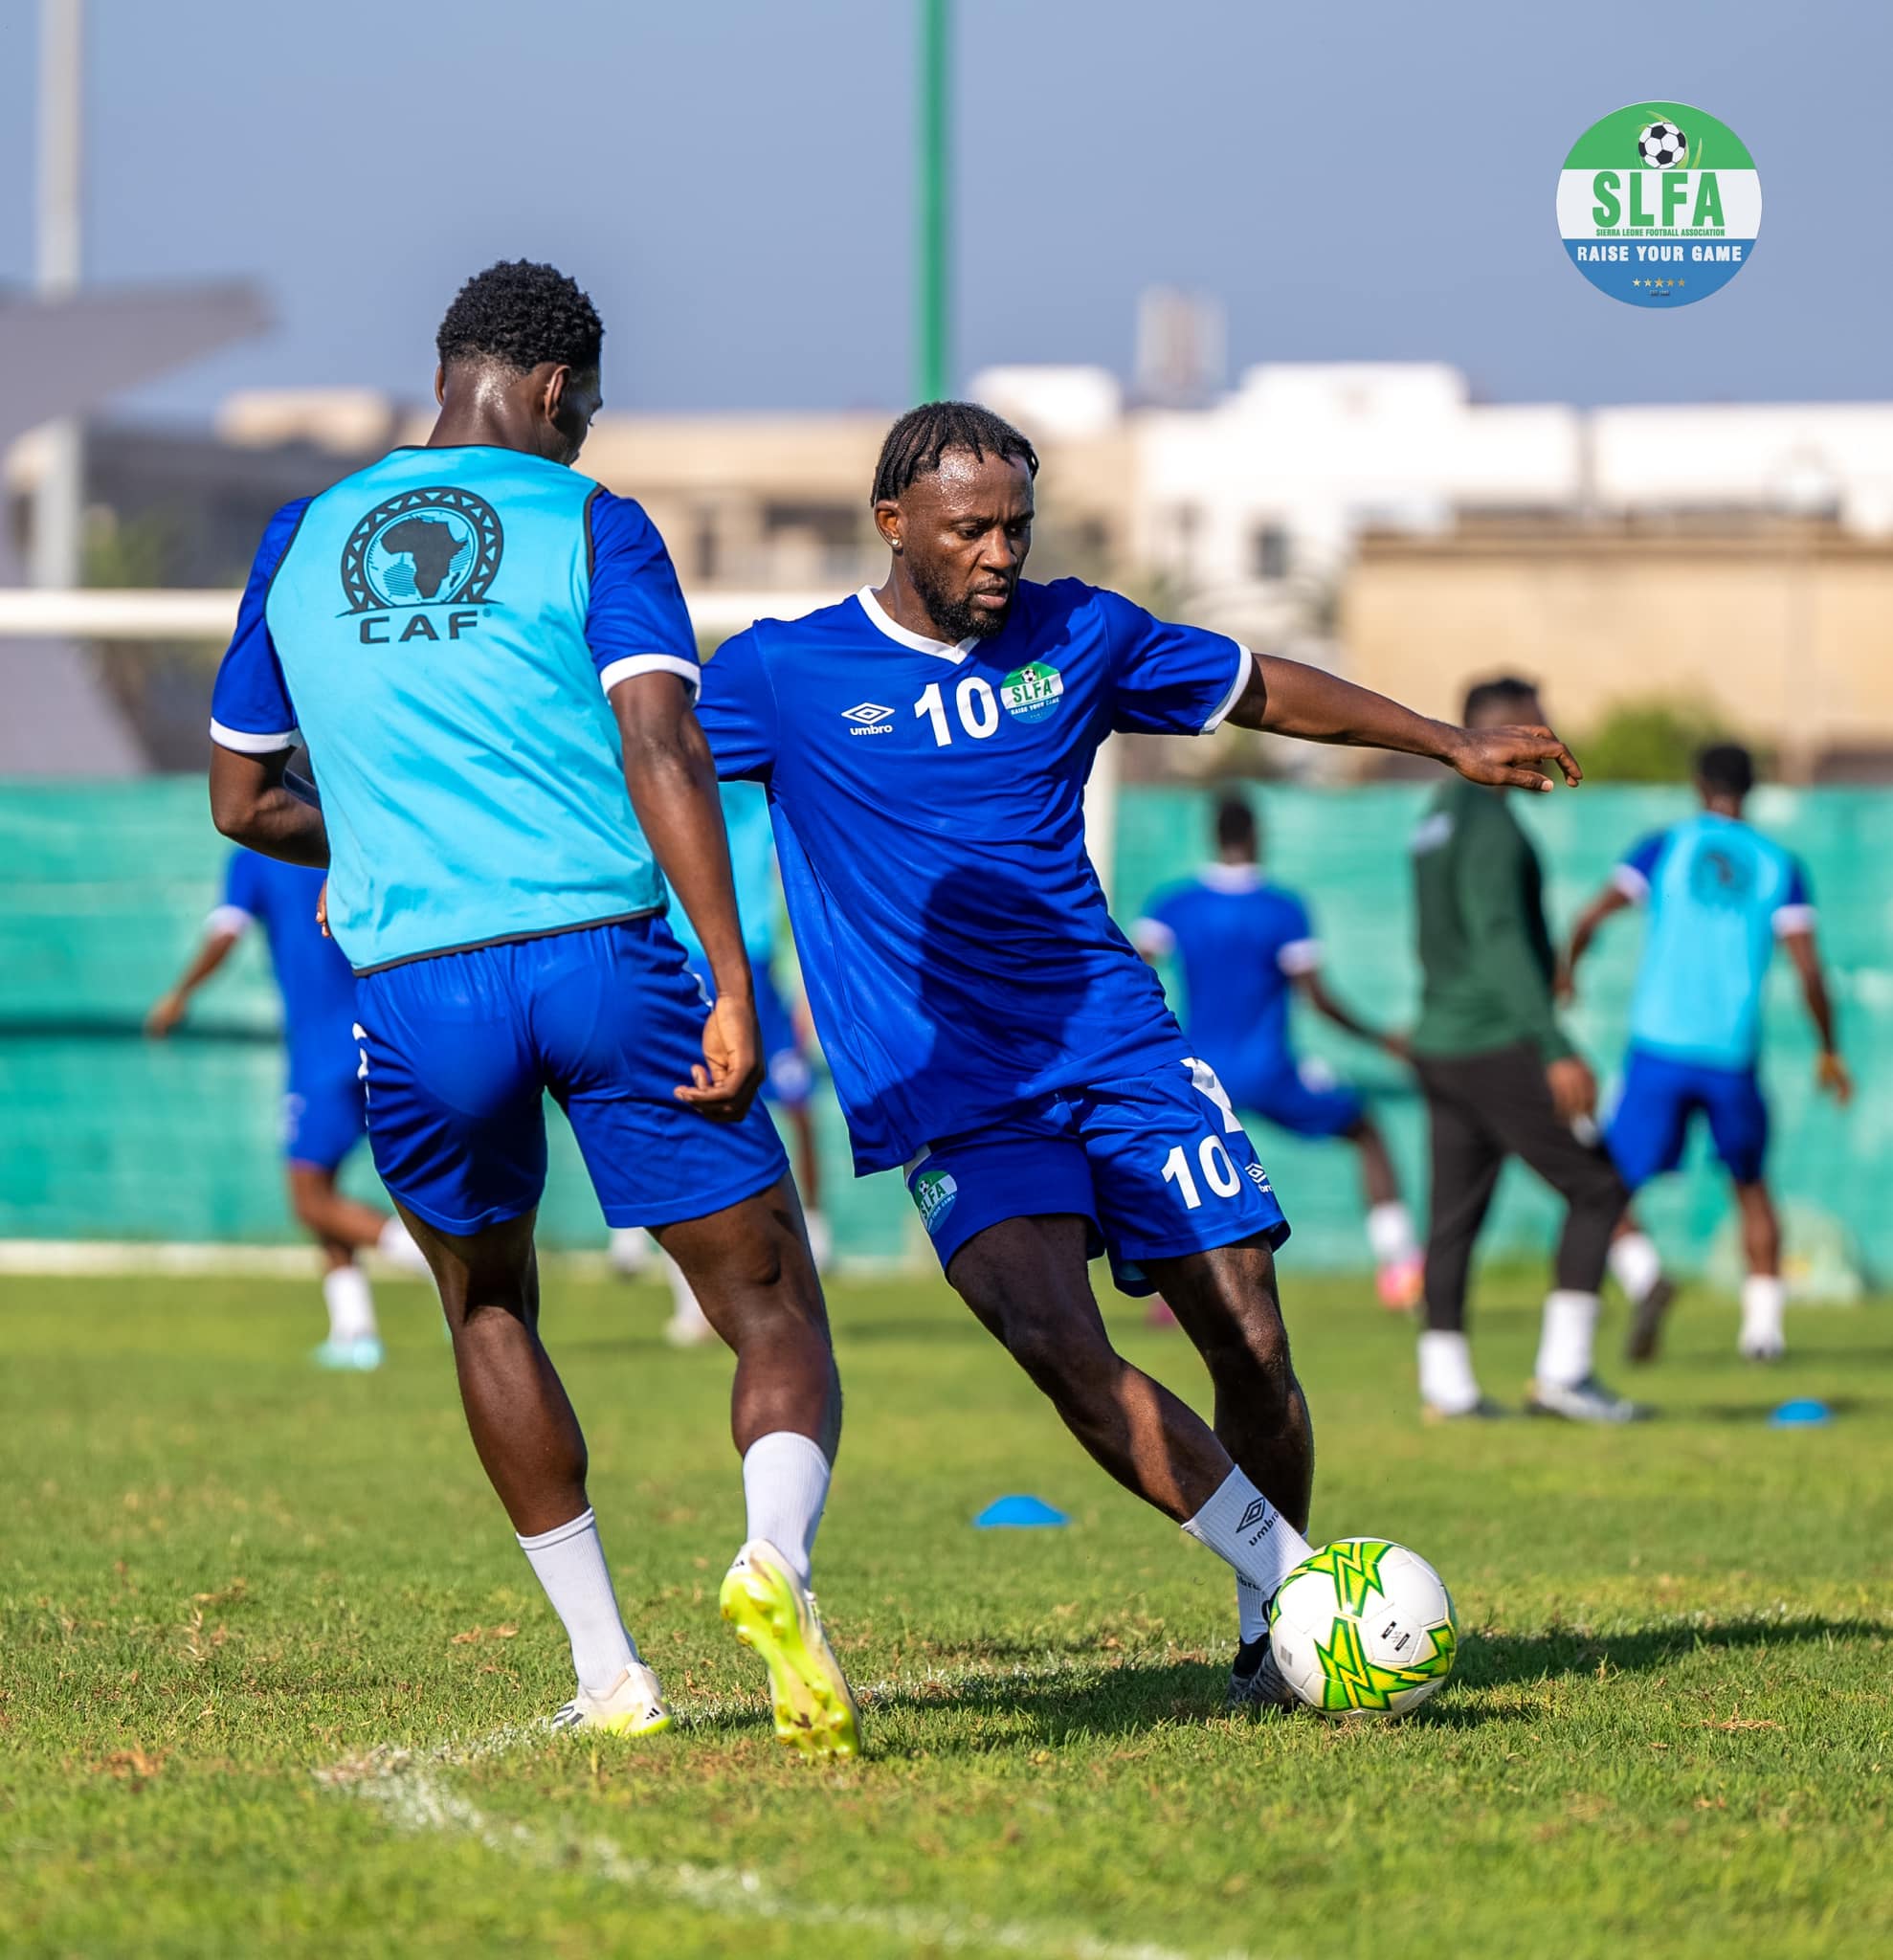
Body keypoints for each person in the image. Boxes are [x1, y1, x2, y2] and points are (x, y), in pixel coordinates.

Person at [694, 401, 1581, 1709]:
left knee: (1250, 1332)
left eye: (1015, 525)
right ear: (892, 524)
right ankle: (1303, 1593)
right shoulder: (782, 674)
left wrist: (1444, 741)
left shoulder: (1084, 633)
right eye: (968, 529)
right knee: (1058, 1339)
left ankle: (1261, 1633)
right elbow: (634, 777)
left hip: (1115, 1047)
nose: (999, 553)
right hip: (949, 1087)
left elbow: (1263, 686)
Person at [205, 260, 856, 1755]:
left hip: (414, 993)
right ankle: (776, 1559)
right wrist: (734, 975)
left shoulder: (302, 539)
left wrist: (370, 841)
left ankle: (611, 1677)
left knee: (484, 1303)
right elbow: (662, 747)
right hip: (602, 961)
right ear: (557, 390)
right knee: (765, 1303)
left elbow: (243, 797)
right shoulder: (592, 521)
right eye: (595, 407)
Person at [1563, 742, 1851, 1362]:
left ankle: (1643, 1277)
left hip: (1659, 1046)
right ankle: (1763, 1335)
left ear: (1699, 784)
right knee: (1751, 1186)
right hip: (1731, 1053)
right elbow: (1809, 972)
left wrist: (1568, 970)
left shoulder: (1666, 846)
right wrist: (1830, 1049)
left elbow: (1591, 917)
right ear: (1751, 789)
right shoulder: (1780, 864)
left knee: (1606, 1186)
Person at [1408, 676, 1637, 1423]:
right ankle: (1565, 1376)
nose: (1551, 739)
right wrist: (1555, 1043)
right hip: (1494, 1039)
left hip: (1440, 1038)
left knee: (1452, 1218)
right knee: (1598, 1189)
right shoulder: (1491, 825)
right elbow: (1501, 940)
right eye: (1540, 729)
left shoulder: (1436, 814)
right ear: (1502, 732)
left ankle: (1447, 1385)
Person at [1134, 794, 1423, 1310]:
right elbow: (1318, 998)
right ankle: (1400, 1268)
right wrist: (1383, 1038)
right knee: (1365, 1130)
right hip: (1272, 1071)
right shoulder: (1282, 909)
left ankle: (1170, 1298)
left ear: (1214, 834)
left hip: (1201, 1073)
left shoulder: (1175, 904)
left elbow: (1135, 972)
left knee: (1190, 1175)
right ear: (1256, 835)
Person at [146, 847, 431, 1368]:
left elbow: (226, 931)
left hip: (323, 1051)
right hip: (386, 1033)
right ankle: (354, 1332)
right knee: (323, 1190)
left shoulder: (255, 852)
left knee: (308, 1197)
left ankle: (431, 1260)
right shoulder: (345, 838)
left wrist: (179, 995)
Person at [636, 779, 832, 1345]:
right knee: (688, 1106)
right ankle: (689, 1286)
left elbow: (792, 877)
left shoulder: (754, 778)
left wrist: (805, 990)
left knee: (792, 1103)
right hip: (686, 956)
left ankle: (813, 1236)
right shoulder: (658, 763)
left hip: (759, 963)